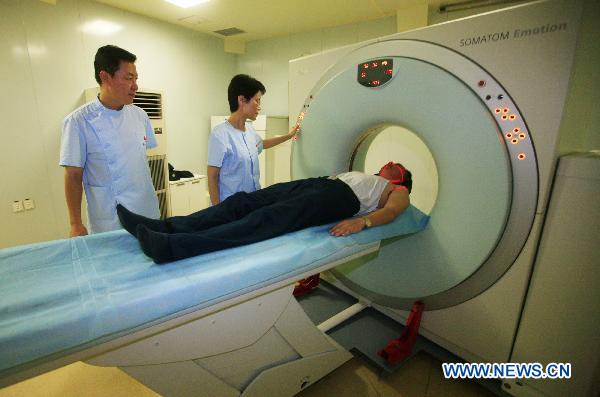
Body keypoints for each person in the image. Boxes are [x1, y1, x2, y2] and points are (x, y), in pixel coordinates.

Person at [117, 162, 412, 264]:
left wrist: (363, 222)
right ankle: (164, 227)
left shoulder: (398, 191)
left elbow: (393, 213)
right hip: (320, 184)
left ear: (398, 178)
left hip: (340, 198)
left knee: (263, 220)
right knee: (242, 202)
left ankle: (172, 247)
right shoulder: (369, 176)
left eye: (394, 166)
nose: (388, 165)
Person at [59, 45, 160, 236]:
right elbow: (73, 176)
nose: (135, 86)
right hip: (110, 217)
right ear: (105, 77)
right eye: (128, 78)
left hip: (147, 210)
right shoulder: (78, 122)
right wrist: (75, 223)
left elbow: (139, 163)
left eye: (136, 78)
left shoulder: (140, 115)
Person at [207, 74, 300, 205]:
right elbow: (212, 177)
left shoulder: (250, 130)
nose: (259, 106)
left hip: (252, 203)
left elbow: (262, 144)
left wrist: (289, 136)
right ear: (242, 100)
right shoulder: (220, 134)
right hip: (230, 209)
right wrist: (216, 212)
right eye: (257, 100)